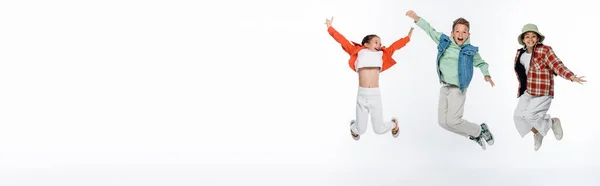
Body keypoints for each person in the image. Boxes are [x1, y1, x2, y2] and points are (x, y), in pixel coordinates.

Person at [405, 10, 495, 150]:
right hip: (445, 87)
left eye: (464, 32)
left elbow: (481, 63)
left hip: (458, 88)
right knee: (443, 122)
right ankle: (473, 134)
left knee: (453, 121)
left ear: (468, 35)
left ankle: (479, 130)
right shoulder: (444, 41)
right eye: (457, 31)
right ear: (452, 33)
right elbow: (430, 30)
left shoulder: (470, 50)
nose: (460, 35)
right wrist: (416, 18)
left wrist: (486, 75)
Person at [325, 16, 413, 140]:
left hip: (375, 95)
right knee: (361, 130)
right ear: (366, 44)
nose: (379, 44)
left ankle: (394, 124)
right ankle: (353, 127)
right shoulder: (358, 52)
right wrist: (330, 28)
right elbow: (343, 41)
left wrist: (407, 38)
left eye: (380, 43)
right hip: (362, 95)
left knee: (379, 130)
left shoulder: (381, 54)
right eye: (376, 42)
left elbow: (395, 46)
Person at [512, 23, 586, 151]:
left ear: (538, 38)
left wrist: (571, 76)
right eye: (527, 37)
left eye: (534, 36)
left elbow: (557, 65)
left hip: (542, 90)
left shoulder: (545, 50)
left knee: (530, 116)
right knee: (518, 117)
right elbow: (521, 73)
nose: (530, 39)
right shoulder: (520, 53)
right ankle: (538, 133)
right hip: (527, 90)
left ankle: (552, 122)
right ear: (523, 40)